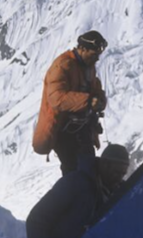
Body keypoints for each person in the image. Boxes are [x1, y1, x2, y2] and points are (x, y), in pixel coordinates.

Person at [32, 30, 108, 175]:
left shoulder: (87, 66)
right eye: (94, 55)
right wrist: (88, 101)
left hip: (81, 127)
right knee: (73, 168)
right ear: (83, 49)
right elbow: (57, 98)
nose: (97, 59)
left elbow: (94, 87)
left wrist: (99, 99)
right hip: (63, 131)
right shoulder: (62, 65)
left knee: (87, 165)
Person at [26, 144, 130, 238]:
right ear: (104, 164)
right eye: (116, 172)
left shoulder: (121, 194)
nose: (119, 178)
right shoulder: (75, 183)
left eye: (123, 174)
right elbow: (37, 219)